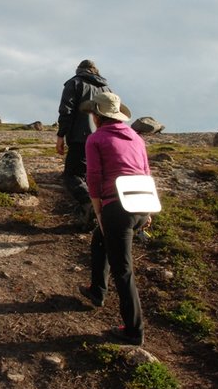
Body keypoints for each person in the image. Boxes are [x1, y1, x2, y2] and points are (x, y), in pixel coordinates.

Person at [78, 91, 151, 345]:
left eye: (93, 114)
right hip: (141, 205)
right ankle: (96, 291)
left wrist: (99, 212)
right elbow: (145, 172)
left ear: (98, 116)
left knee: (124, 270)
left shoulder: (96, 139)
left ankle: (133, 330)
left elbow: (94, 178)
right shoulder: (136, 137)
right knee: (100, 241)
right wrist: (148, 211)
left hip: (116, 208)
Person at [55, 59, 111, 228]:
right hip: (103, 139)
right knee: (93, 175)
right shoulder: (106, 88)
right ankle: (93, 214)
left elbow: (67, 110)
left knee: (73, 175)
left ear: (79, 70)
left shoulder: (74, 83)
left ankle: (89, 205)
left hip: (81, 138)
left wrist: (61, 135)